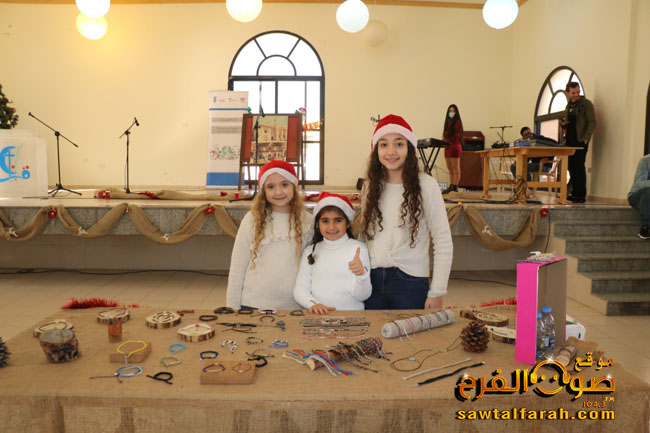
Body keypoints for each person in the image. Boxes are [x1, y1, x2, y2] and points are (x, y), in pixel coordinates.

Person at [360, 114, 453, 310]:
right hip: (372, 279)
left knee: (410, 331)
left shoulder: (426, 185)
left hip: (411, 282)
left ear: (409, 148)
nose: (391, 151)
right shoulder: (370, 186)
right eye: (383, 144)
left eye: (399, 143)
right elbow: (365, 236)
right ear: (376, 149)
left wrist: (437, 291)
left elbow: (442, 239)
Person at [226, 160, 313, 310]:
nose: (278, 192)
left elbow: (314, 267)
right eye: (271, 187)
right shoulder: (252, 219)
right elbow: (237, 266)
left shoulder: (308, 221)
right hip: (252, 304)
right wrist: (232, 306)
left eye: (284, 184)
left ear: (294, 186)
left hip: (295, 305)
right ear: (263, 191)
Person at [293, 192, 371, 315]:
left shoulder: (358, 249)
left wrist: (362, 275)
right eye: (325, 221)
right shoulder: (311, 251)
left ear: (348, 223)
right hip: (318, 317)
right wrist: (313, 304)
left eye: (338, 220)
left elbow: (362, 296)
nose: (331, 227)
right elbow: (300, 289)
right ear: (318, 224)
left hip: (352, 318)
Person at [560, 82, 596, 203]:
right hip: (570, 140)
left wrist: (586, 138)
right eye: (573, 93)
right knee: (571, 166)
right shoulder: (568, 106)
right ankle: (574, 192)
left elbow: (592, 122)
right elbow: (568, 123)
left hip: (580, 140)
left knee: (579, 166)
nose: (576, 95)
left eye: (578, 92)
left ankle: (581, 194)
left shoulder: (586, 104)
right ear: (567, 93)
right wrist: (563, 124)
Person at [441, 104, 464, 195]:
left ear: (456, 112)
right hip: (447, 147)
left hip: (454, 146)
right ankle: (451, 186)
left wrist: (447, 140)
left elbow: (457, 135)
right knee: (450, 168)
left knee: (455, 168)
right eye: (450, 111)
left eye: (453, 111)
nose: (452, 113)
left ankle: (455, 186)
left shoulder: (457, 122)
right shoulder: (448, 122)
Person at [628, 153, 650, 240]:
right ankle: (645, 227)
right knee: (648, 190)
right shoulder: (645, 161)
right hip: (637, 196)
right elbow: (640, 183)